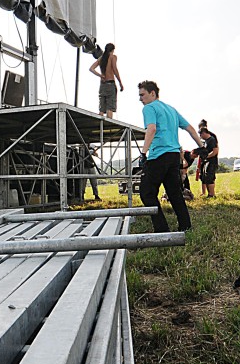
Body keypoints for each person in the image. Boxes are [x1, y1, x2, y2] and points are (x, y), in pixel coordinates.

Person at [137, 80, 204, 232]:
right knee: (175, 193)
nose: (140, 99)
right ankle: (185, 226)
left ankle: (161, 229)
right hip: (174, 156)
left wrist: (143, 153)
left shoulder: (149, 108)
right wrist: (201, 147)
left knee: (147, 193)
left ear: (152, 93)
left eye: (142, 95)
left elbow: (151, 129)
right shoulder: (171, 109)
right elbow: (191, 129)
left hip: (158, 155)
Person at [88, 43, 124, 119]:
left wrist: (100, 75)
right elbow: (115, 69)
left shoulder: (101, 58)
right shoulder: (113, 57)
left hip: (102, 84)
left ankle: (100, 126)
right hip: (110, 83)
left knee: (102, 108)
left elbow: (91, 68)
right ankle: (109, 128)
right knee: (109, 108)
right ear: (112, 50)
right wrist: (120, 82)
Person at [195, 126, 219, 197]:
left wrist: (206, 156)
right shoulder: (206, 141)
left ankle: (212, 194)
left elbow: (215, 151)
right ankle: (209, 194)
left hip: (211, 162)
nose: (200, 136)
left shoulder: (212, 140)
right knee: (205, 178)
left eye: (201, 134)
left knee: (209, 177)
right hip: (206, 162)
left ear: (204, 133)